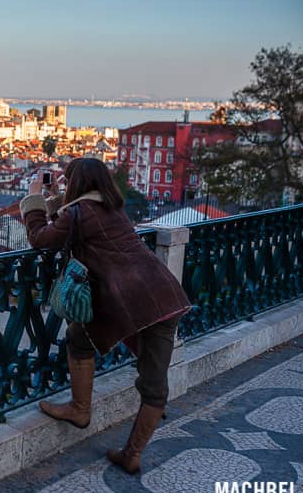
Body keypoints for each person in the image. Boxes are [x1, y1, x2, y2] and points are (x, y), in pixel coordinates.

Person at [19, 157, 191, 474]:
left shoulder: (77, 213)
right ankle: (133, 453)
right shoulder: (113, 209)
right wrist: (57, 199)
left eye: (68, 181)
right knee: (155, 386)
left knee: (78, 339)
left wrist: (33, 202)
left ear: (76, 184)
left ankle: (80, 409)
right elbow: (77, 220)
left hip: (129, 303)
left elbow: (41, 238)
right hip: (165, 298)